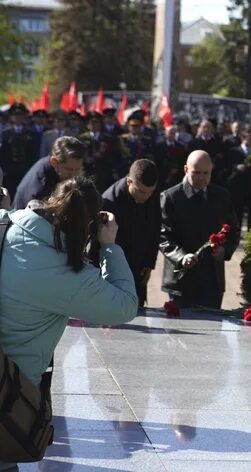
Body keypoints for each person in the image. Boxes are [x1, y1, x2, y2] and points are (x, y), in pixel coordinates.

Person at [0, 177, 137, 472]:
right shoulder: (70, 276)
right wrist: (109, 246)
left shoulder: (4, 224)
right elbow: (125, 305)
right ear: (89, 225)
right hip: (8, 397)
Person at [159, 150, 240, 308]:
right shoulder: (171, 198)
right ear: (186, 170)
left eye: (206, 173)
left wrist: (224, 250)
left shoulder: (222, 196)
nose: (202, 178)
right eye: (196, 173)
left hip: (211, 279)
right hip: (181, 280)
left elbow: (233, 230)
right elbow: (163, 236)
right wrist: (181, 257)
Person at [101, 160, 161, 311]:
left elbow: (154, 229)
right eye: (141, 191)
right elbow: (100, 242)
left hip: (139, 266)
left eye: (150, 192)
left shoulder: (152, 196)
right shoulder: (109, 201)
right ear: (129, 181)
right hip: (114, 268)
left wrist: (149, 262)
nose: (146, 196)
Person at [13, 137, 86, 210]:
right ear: (54, 162)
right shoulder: (40, 185)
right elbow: (37, 217)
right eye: (68, 169)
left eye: (77, 169)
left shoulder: (58, 172)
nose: (73, 175)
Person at [0, 103, 39, 202]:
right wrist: (4, 170)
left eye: (20, 115)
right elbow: (3, 153)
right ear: (11, 117)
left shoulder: (30, 132)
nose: (17, 118)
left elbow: (34, 153)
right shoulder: (5, 133)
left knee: (25, 195)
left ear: (24, 116)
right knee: (11, 196)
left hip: (26, 170)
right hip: (10, 171)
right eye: (15, 115)